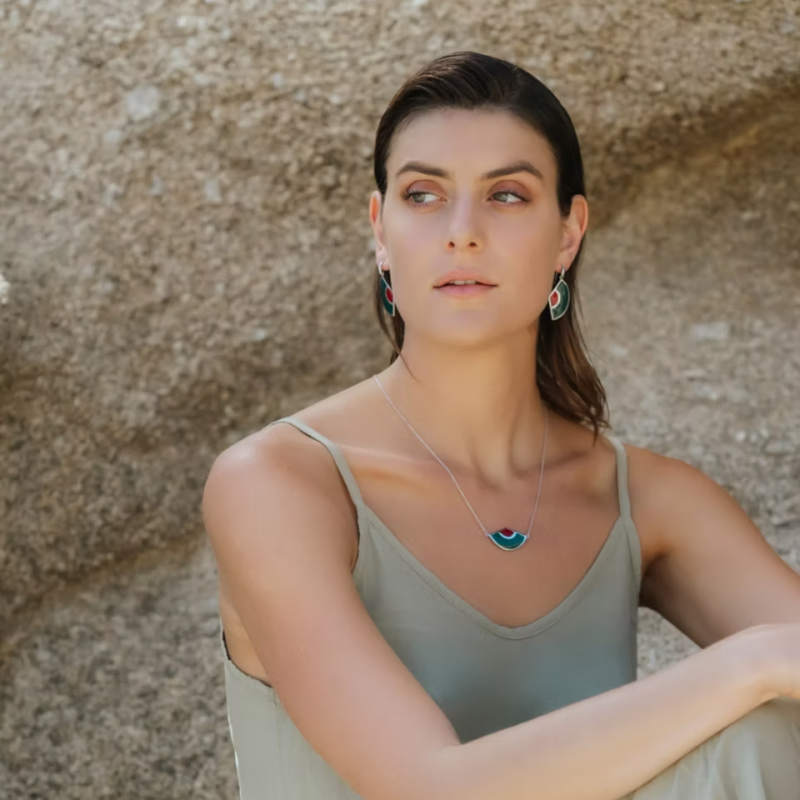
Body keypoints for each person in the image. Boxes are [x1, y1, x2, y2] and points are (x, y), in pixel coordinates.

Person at [202, 51, 800, 800]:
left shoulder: (647, 499)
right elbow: (429, 786)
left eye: (507, 195)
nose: (462, 232)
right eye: (423, 195)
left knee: (774, 732)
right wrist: (751, 663)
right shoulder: (277, 485)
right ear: (381, 230)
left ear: (567, 234)